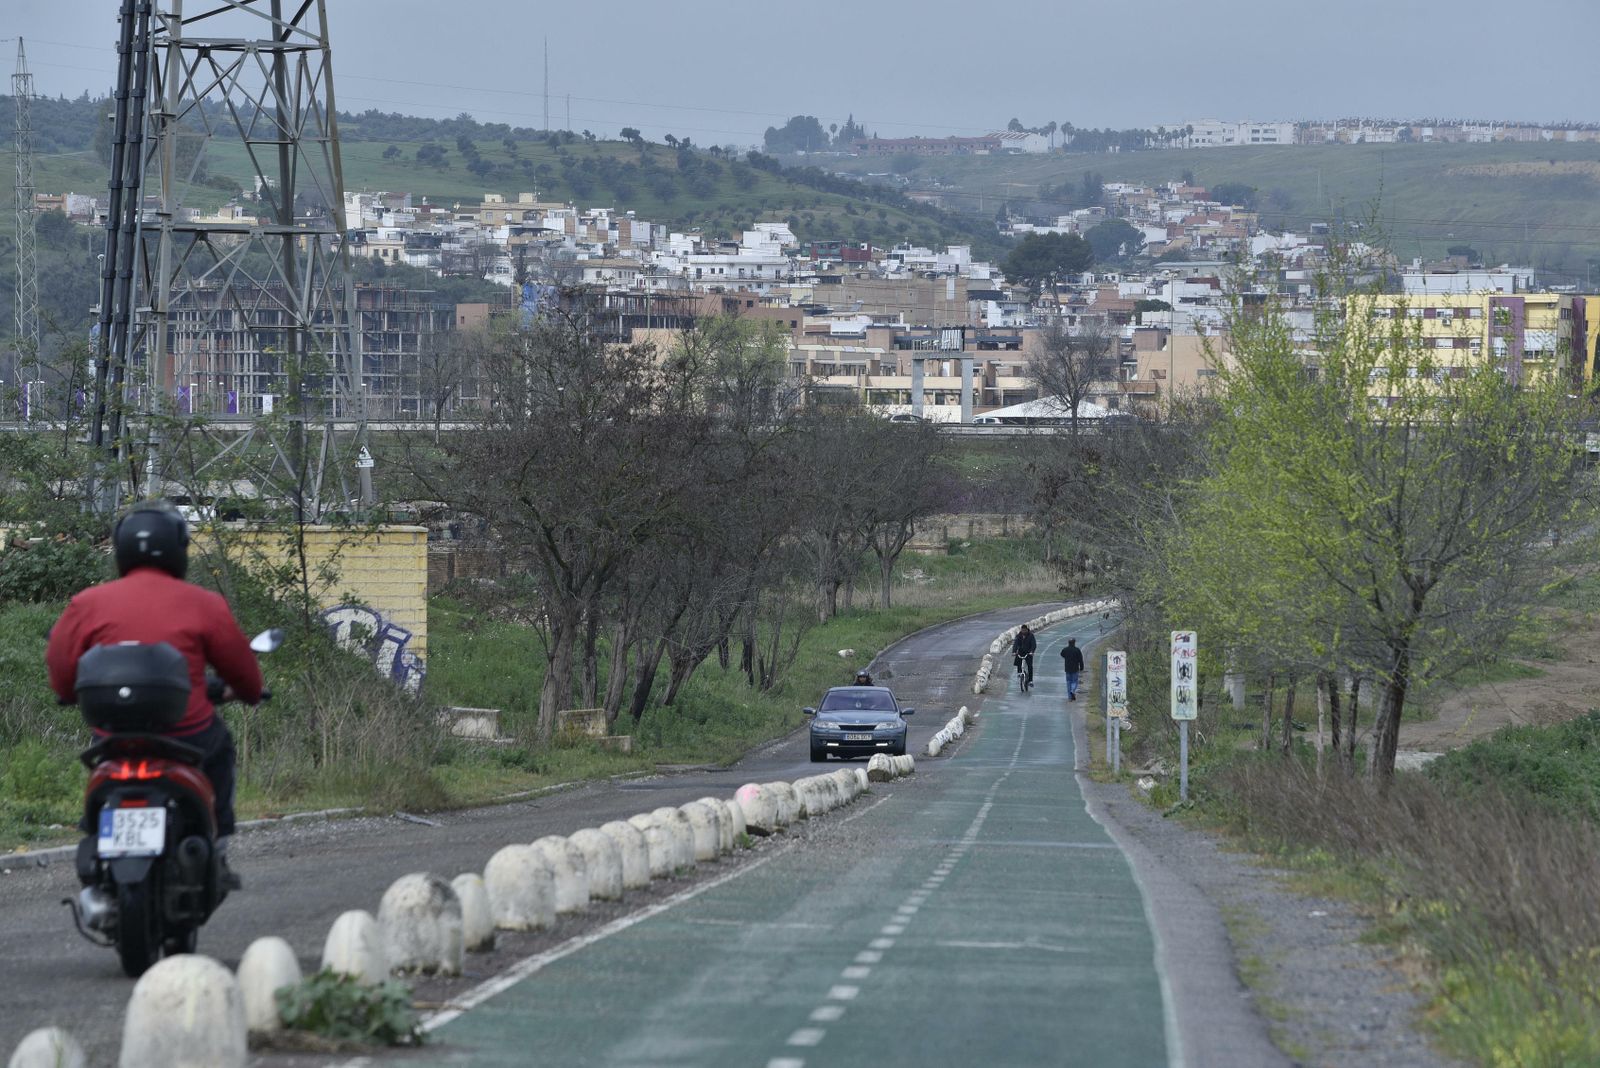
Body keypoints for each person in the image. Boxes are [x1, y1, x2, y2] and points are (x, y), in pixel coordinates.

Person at [47, 501, 263, 882]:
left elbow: (61, 664)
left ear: (122, 551)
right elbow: (242, 669)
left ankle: (95, 825)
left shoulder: (88, 602)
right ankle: (219, 843)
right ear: (179, 550)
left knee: (100, 764)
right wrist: (247, 691)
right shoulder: (204, 603)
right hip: (188, 734)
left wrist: (66, 692)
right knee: (221, 751)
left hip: (115, 736)